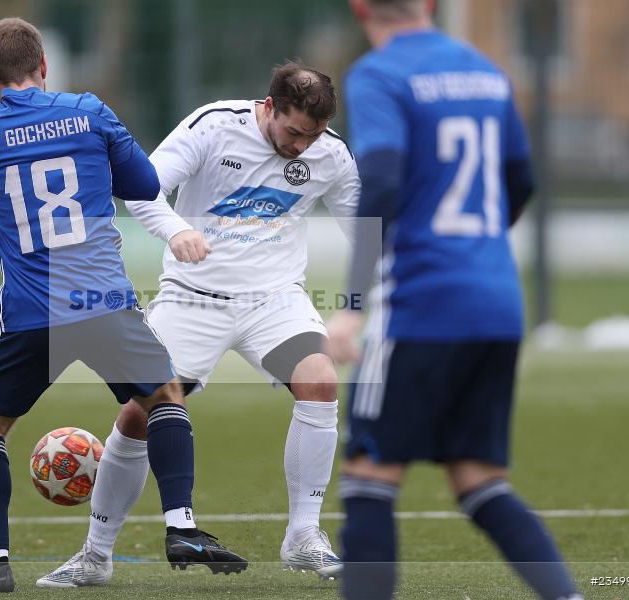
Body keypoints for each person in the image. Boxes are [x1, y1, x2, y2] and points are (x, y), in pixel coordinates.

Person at [0, 17, 246, 593]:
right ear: (43, 66)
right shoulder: (90, 112)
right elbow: (146, 183)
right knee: (163, 396)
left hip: (30, 311)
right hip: (103, 301)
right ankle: (182, 527)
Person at [38, 62, 360, 587]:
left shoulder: (331, 154)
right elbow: (142, 188)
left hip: (274, 301)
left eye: (313, 135)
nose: (302, 146)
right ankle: (95, 556)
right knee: (140, 414)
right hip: (193, 298)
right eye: (294, 132)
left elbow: (364, 228)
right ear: (270, 107)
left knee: (319, 379)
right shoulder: (213, 125)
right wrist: (177, 231)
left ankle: (304, 537)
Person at [325, 1, 584, 599]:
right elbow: (520, 181)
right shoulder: (486, 72)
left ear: (360, 6)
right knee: (478, 481)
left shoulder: (379, 74)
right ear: (433, 4)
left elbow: (384, 180)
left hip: (421, 306)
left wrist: (352, 305)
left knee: (370, 477)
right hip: (496, 303)